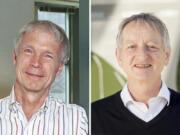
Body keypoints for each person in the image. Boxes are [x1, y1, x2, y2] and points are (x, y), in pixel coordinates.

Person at [91, 13, 180, 135]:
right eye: (132, 46)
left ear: (167, 56)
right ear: (119, 57)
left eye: (151, 46)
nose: (142, 56)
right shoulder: (93, 116)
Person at [0, 20, 88, 135]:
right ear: (15, 57)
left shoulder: (76, 119)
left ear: (60, 67)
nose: (36, 63)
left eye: (48, 56)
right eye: (28, 51)